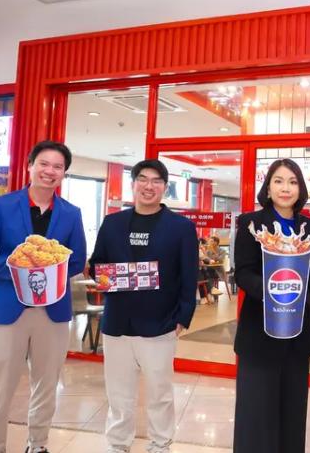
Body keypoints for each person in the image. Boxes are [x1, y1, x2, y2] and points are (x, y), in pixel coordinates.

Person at [0, 140, 87, 453]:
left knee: (47, 384)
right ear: (30, 166)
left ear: (64, 173)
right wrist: (21, 268)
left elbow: (77, 260)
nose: (50, 171)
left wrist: (51, 270)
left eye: (58, 167)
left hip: (53, 311)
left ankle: (38, 445)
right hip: (9, 309)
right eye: (44, 164)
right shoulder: (1, 206)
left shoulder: (71, 213)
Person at [89, 159, 198, 453]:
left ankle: (160, 444)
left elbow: (189, 275)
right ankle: (117, 444)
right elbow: (97, 264)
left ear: (165, 187)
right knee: (118, 392)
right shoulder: (112, 223)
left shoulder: (182, 227)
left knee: (160, 392)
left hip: (161, 322)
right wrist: (109, 275)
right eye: (143, 179)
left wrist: (183, 316)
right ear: (133, 184)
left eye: (156, 181)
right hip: (117, 322)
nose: (149, 186)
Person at [233, 158, 310, 453]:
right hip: (259, 333)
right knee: (256, 412)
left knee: (293, 412)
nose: (286, 188)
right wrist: (273, 291)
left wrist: (309, 320)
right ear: (268, 188)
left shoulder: (309, 227)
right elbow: (242, 272)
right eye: (279, 181)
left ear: (301, 189)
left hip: (297, 335)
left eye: (293, 182)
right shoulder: (250, 223)